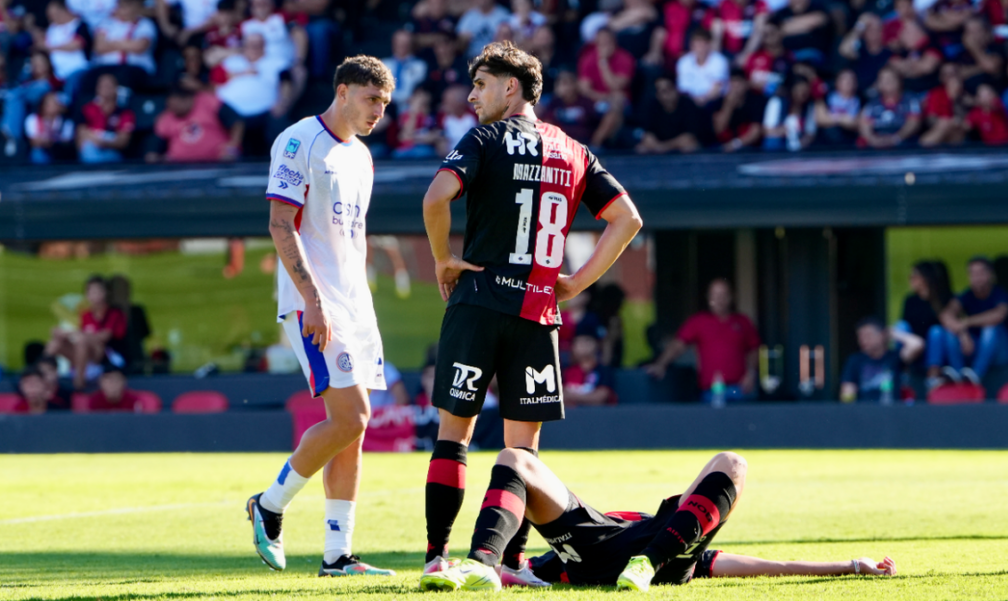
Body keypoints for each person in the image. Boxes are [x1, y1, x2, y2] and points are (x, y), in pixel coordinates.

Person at [419, 40, 642, 589]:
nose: (472, 97)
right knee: (524, 454)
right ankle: (514, 566)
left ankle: (436, 558)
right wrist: (576, 283)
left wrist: (445, 260)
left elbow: (435, 197)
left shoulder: (485, 138)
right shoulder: (574, 150)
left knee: (454, 437)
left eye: (480, 85)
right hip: (537, 314)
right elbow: (628, 220)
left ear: (510, 87)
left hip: (477, 302)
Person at [246, 55, 397, 579]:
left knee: (352, 431)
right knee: (351, 417)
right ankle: (269, 504)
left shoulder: (363, 157)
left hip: (356, 305)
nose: (379, 111)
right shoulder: (297, 141)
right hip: (314, 303)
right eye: (371, 99)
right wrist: (312, 298)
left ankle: (338, 556)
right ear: (343, 91)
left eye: (384, 103)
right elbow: (280, 223)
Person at [420, 448, 896, 591]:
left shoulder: (687, 543)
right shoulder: (690, 545)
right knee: (514, 458)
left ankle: (646, 563)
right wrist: (507, 571)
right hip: (602, 545)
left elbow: (766, 566)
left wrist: (848, 567)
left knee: (732, 462)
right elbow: (527, 575)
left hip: (648, 556)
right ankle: (480, 562)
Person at [646, 279, 760, 402]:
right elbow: (678, 345)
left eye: (723, 295)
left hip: (739, 389)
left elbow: (754, 350)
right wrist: (661, 364)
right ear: (709, 298)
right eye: (715, 295)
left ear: (731, 297)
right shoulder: (698, 322)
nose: (719, 300)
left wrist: (751, 373)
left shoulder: (743, 322)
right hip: (710, 391)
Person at [934, 257, 1008, 384]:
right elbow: (946, 315)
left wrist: (966, 322)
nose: (976, 277)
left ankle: (976, 375)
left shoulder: (1000, 293)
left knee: (990, 329)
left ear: (990, 275)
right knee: (949, 332)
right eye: (972, 273)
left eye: (980, 273)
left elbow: (998, 315)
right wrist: (962, 332)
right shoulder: (967, 295)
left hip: (1001, 354)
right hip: (975, 350)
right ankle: (958, 373)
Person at [46, 274, 127, 389]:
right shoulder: (86, 315)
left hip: (107, 356)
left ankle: (79, 381)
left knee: (82, 340)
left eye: (97, 291)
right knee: (55, 343)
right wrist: (64, 335)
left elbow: (104, 336)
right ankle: (41, 377)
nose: (94, 295)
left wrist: (71, 334)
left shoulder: (114, 313)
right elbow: (82, 335)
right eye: (90, 292)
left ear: (105, 293)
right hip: (85, 354)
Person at [840, 316, 924, 403]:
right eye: (860, 336)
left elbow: (917, 345)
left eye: (868, 335)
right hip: (864, 412)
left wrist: (893, 333)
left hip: (892, 411)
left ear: (882, 334)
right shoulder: (855, 360)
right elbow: (847, 392)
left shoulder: (894, 357)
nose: (863, 340)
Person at [151, 86, 243, 162]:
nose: (172, 110)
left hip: (218, 161)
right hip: (179, 166)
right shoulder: (167, 116)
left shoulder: (208, 101)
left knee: (230, 156)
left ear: (188, 99)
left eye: (175, 105)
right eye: (170, 106)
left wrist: (233, 144)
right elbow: (156, 144)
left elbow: (237, 122)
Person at [75, 73, 133, 163]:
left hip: (113, 153)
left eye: (109, 86)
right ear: (97, 89)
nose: (105, 89)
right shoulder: (87, 109)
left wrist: (101, 141)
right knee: (88, 149)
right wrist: (98, 139)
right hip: (91, 150)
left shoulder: (125, 113)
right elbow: (81, 134)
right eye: (102, 86)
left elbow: (123, 141)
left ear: (116, 89)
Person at [635, 75, 701, 154]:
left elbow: (689, 137)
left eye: (668, 90)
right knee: (641, 148)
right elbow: (647, 135)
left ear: (676, 90)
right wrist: (655, 144)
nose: (665, 95)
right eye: (661, 91)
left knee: (689, 146)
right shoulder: (652, 106)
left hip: (677, 147)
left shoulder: (688, 104)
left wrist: (664, 147)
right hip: (658, 147)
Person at [858, 68, 921, 149]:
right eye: (883, 79)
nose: (887, 82)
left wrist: (896, 138)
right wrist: (873, 140)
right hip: (877, 140)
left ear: (899, 81)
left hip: (904, 141)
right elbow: (864, 124)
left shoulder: (910, 100)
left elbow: (914, 123)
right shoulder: (872, 103)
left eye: (890, 78)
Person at [540, 70, 599, 145]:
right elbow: (547, 121)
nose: (565, 88)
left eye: (567, 83)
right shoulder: (555, 102)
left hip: (583, 142)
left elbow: (594, 121)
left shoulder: (585, 101)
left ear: (575, 84)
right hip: (560, 142)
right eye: (561, 84)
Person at [713, 68, 766, 152]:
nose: (735, 86)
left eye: (739, 82)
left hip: (748, 147)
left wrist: (736, 144)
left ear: (746, 84)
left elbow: (755, 131)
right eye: (732, 82)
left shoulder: (756, 101)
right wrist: (728, 106)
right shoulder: (720, 102)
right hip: (722, 146)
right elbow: (718, 130)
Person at [676, 28, 729, 107]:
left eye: (702, 44)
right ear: (691, 45)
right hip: (689, 103)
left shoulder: (720, 61)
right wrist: (694, 102)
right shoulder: (683, 62)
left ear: (709, 44)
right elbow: (683, 89)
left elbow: (717, 89)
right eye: (696, 44)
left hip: (713, 102)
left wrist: (703, 100)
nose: (699, 48)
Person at [919, 62, 968, 147]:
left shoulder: (967, 95)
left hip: (960, 133)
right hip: (939, 130)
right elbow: (931, 118)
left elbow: (965, 121)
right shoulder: (935, 93)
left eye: (952, 74)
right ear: (941, 78)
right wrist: (943, 122)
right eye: (945, 74)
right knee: (944, 127)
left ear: (959, 75)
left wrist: (955, 99)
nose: (949, 77)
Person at [562, 333, 616, 406]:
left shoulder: (603, 370)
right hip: (572, 414)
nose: (583, 346)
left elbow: (601, 396)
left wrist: (574, 397)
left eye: (586, 341)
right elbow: (561, 394)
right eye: (578, 343)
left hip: (597, 414)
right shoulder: (566, 370)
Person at [24, 89, 75, 163]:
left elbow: (67, 142)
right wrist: (46, 141)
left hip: (60, 153)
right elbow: (33, 141)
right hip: (41, 150)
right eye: (48, 103)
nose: (51, 106)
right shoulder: (33, 119)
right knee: (37, 152)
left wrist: (52, 141)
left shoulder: (66, 122)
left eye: (55, 103)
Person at [382, 29, 427, 109]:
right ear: (393, 43)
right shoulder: (384, 64)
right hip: (387, 106)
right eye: (399, 42)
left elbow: (419, 89)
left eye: (405, 43)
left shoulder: (419, 65)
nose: (402, 46)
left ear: (411, 44)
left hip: (410, 106)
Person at [815, 68, 860, 146]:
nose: (848, 82)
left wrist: (831, 118)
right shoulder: (826, 98)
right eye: (844, 79)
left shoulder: (861, 100)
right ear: (837, 82)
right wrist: (841, 119)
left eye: (851, 79)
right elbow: (820, 119)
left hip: (850, 141)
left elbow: (858, 123)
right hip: (826, 141)